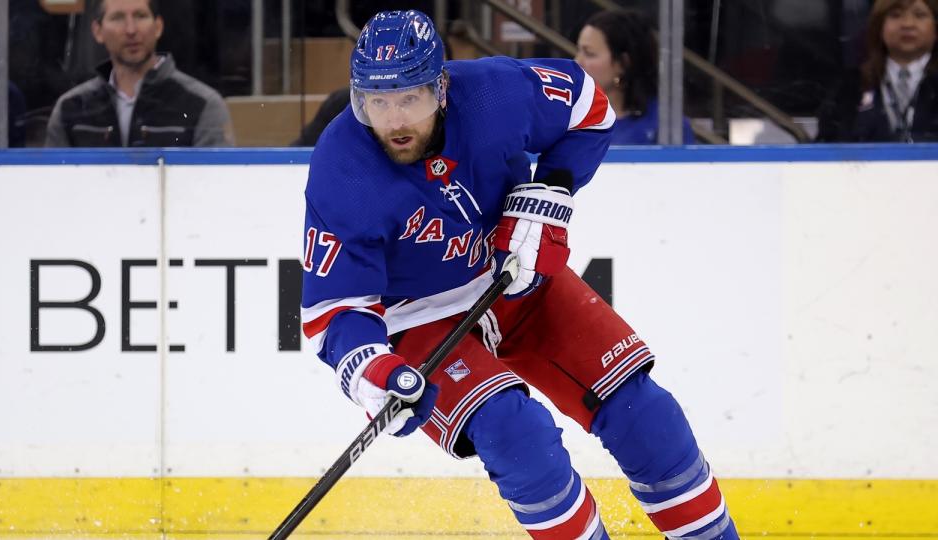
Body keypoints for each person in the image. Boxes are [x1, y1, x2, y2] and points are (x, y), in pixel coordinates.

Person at [301, 10, 739, 539]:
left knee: (647, 419)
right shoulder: (341, 166)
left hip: (515, 277)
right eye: (377, 102)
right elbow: (334, 311)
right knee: (518, 435)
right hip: (420, 320)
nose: (393, 121)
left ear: (441, 89)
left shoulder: (493, 94)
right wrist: (371, 372)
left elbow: (588, 106)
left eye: (409, 99)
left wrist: (551, 189)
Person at [45, 0, 234, 147]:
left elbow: (216, 188)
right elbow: (54, 188)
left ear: (158, 27)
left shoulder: (203, 104)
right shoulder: (69, 108)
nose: (131, 30)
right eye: (118, 17)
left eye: (140, 16)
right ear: (98, 31)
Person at [816, 0, 938, 142]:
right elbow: (827, 145)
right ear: (879, 27)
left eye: (919, 15)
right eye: (896, 15)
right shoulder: (849, 86)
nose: (908, 24)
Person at [574, 8, 695, 145]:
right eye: (578, 51)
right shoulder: (566, 118)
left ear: (623, 63)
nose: (578, 62)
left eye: (589, 54)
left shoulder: (665, 126)